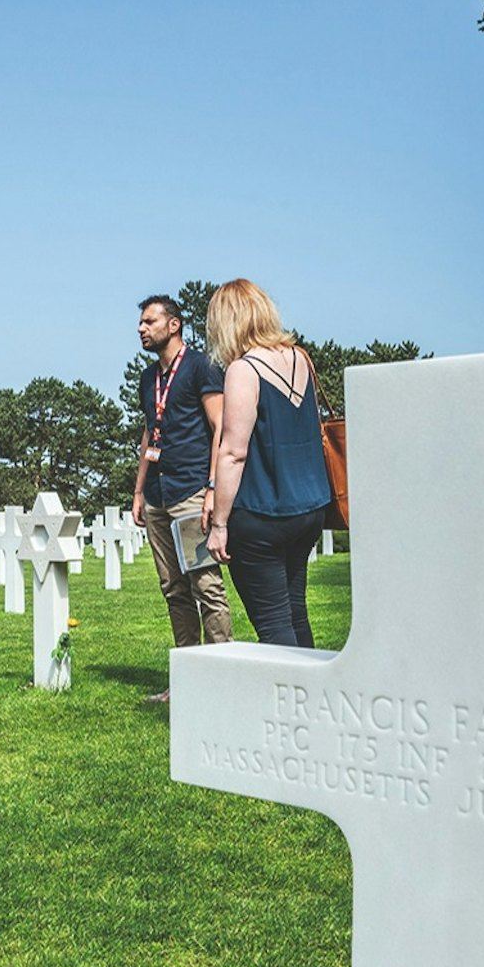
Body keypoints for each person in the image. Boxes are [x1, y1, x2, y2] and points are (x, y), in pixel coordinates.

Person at [205, 280, 331, 647]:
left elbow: (233, 452)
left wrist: (219, 524)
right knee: (296, 613)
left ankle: (287, 686)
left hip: (263, 514)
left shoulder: (243, 370)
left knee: (275, 625)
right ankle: (310, 684)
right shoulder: (300, 358)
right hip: (309, 508)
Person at [131, 294, 233, 700]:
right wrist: (139, 490)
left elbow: (220, 426)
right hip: (158, 496)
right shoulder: (147, 378)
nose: (141, 328)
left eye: (149, 321)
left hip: (191, 492)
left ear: (173, 325)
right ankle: (187, 683)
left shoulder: (200, 367)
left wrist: (212, 488)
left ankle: (222, 680)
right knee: (173, 589)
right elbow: (149, 432)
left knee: (205, 586)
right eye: (141, 322)